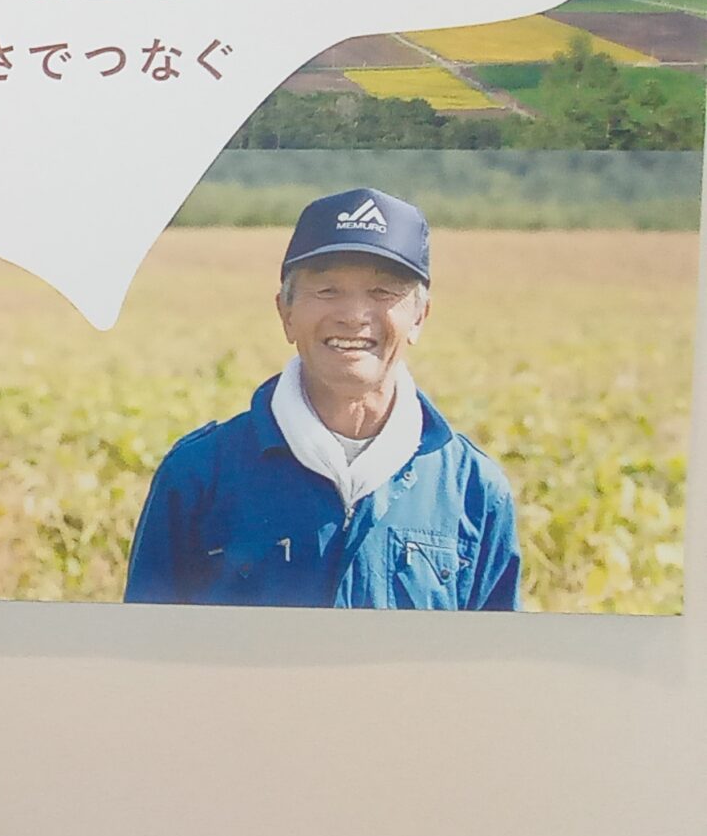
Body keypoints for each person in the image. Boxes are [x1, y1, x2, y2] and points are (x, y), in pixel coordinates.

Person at [124, 187, 521, 610]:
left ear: (419, 318)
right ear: (286, 313)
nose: (353, 315)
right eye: (328, 290)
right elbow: (144, 644)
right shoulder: (200, 474)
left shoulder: (472, 489)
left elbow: (493, 651)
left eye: (383, 292)